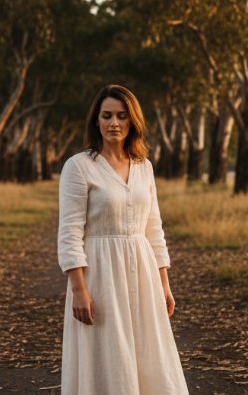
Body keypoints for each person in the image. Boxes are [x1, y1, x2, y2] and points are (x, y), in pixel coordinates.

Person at [57, 84, 189, 395]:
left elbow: (153, 229)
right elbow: (70, 232)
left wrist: (164, 284)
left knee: (149, 351)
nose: (113, 123)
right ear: (96, 121)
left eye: (121, 116)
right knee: (107, 352)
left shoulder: (145, 168)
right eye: (106, 116)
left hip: (143, 272)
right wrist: (79, 290)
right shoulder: (78, 167)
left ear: (132, 122)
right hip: (100, 274)